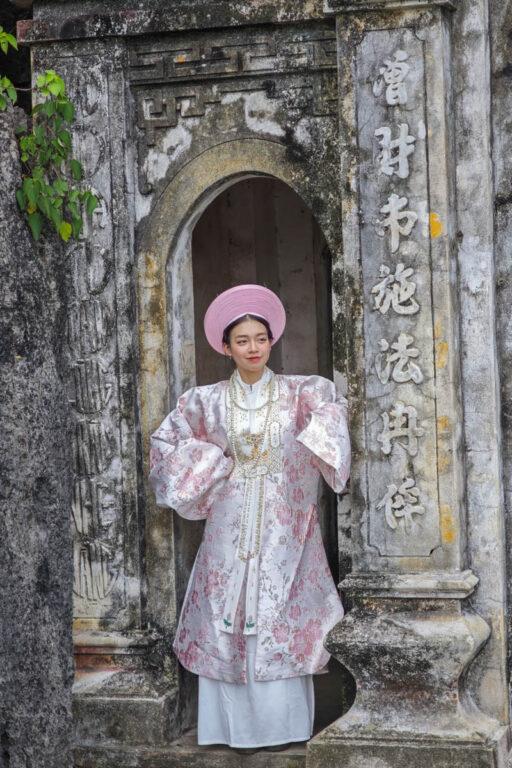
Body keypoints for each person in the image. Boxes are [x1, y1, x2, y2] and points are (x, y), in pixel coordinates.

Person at [149, 284, 351, 753]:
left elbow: (332, 419)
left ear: (271, 340)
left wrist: (315, 441)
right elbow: (165, 448)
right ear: (225, 346)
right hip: (229, 524)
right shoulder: (206, 402)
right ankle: (228, 728)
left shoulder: (301, 393)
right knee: (227, 608)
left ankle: (284, 727)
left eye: (260, 338)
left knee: (280, 607)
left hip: (285, 524)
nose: (253, 348)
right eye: (242, 340)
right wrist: (212, 464)